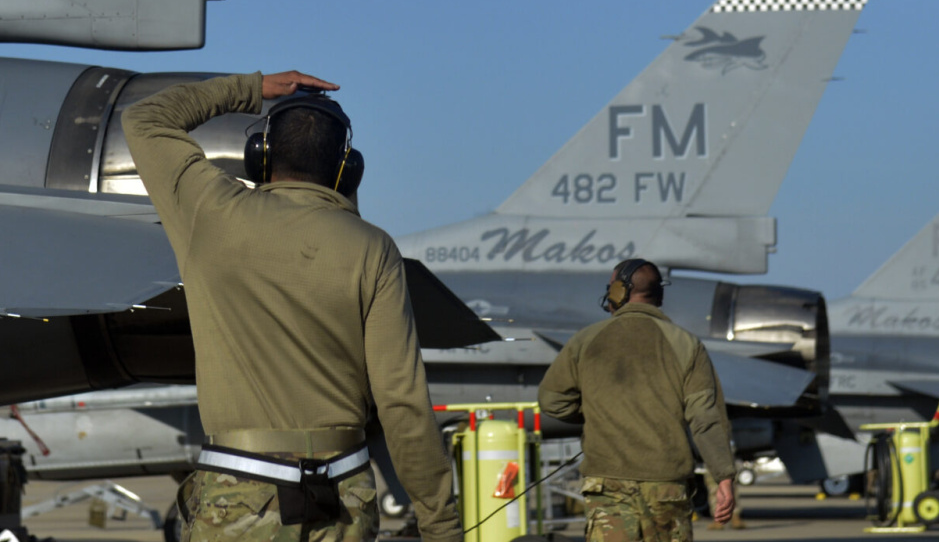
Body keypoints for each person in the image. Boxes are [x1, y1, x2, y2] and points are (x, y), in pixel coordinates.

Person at [122, 71, 462, 542]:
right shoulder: (373, 249)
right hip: (342, 500)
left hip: (238, 493)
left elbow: (146, 118)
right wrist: (441, 525)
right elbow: (402, 401)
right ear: (348, 170)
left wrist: (253, 88)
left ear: (260, 154)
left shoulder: (210, 211)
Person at [538, 259, 736, 541]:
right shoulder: (686, 344)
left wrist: (597, 412)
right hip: (666, 485)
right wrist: (724, 476)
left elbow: (551, 400)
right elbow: (706, 418)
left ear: (618, 291)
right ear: (659, 294)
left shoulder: (585, 341)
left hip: (607, 486)